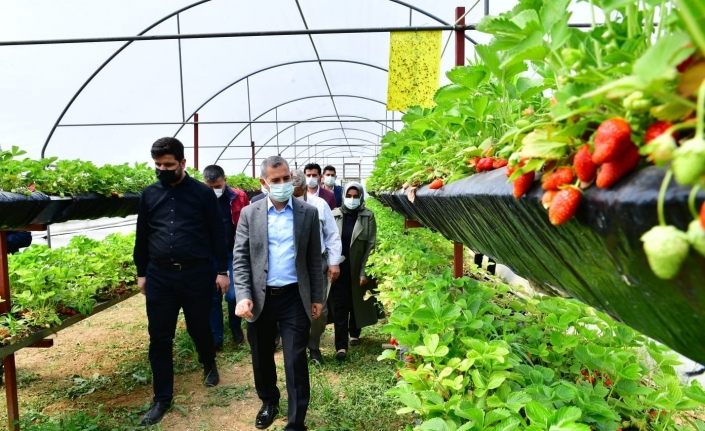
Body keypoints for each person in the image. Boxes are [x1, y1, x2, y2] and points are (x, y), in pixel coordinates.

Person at [133, 137, 229, 426]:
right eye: (158, 165)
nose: (163, 169)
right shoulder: (149, 195)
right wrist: (141, 272)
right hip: (160, 275)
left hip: (196, 274)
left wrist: (221, 271)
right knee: (159, 337)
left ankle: (208, 362)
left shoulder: (202, 194)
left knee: (199, 327)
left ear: (183, 163)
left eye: (169, 165)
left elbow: (217, 234)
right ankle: (162, 397)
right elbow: (142, 236)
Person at [234, 156, 323, 431]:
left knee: (295, 358)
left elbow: (313, 259)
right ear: (264, 183)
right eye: (276, 180)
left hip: (294, 297)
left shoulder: (307, 213)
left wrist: (317, 297)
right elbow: (241, 258)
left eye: (286, 178)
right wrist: (243, 295)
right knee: (261, 355)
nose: (283, 184)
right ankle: (269, 402)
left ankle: (296, 421)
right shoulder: (251, 214)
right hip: (260, 298)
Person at [291, 170, 342, 365]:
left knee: (319, 308)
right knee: (294, 307)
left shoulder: (319, 205)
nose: (294, 198)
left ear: (305, 189)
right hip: (293, 264)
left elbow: (331, 235)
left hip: (317, 262)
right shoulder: (283, 206)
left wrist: (334, 262)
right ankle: (297, 347)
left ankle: (313, 346)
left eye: (297, 193)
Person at [329, 182, 378, 361]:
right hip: (338, 269)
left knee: (356, 301)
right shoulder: (335, 215)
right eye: (348, 196)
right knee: (340, 305)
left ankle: (354, 332)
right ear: (343, 197)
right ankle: (340, 346)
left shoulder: (368, 216)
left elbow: (371, 245)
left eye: (355, 196)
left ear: (361, 197)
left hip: (357, 267)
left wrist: (363, 271)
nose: (351, 199)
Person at [203, 164, 250, 349]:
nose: (215, 190)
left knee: (232, 295)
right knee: (213, 296)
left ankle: (235, 327)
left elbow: (247, 221)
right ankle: (216, 339)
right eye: (210, 187)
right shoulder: (201, 198)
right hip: (210, 253)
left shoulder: (238, 197)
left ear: (225, 181)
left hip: (233, 251)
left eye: (218, 186)